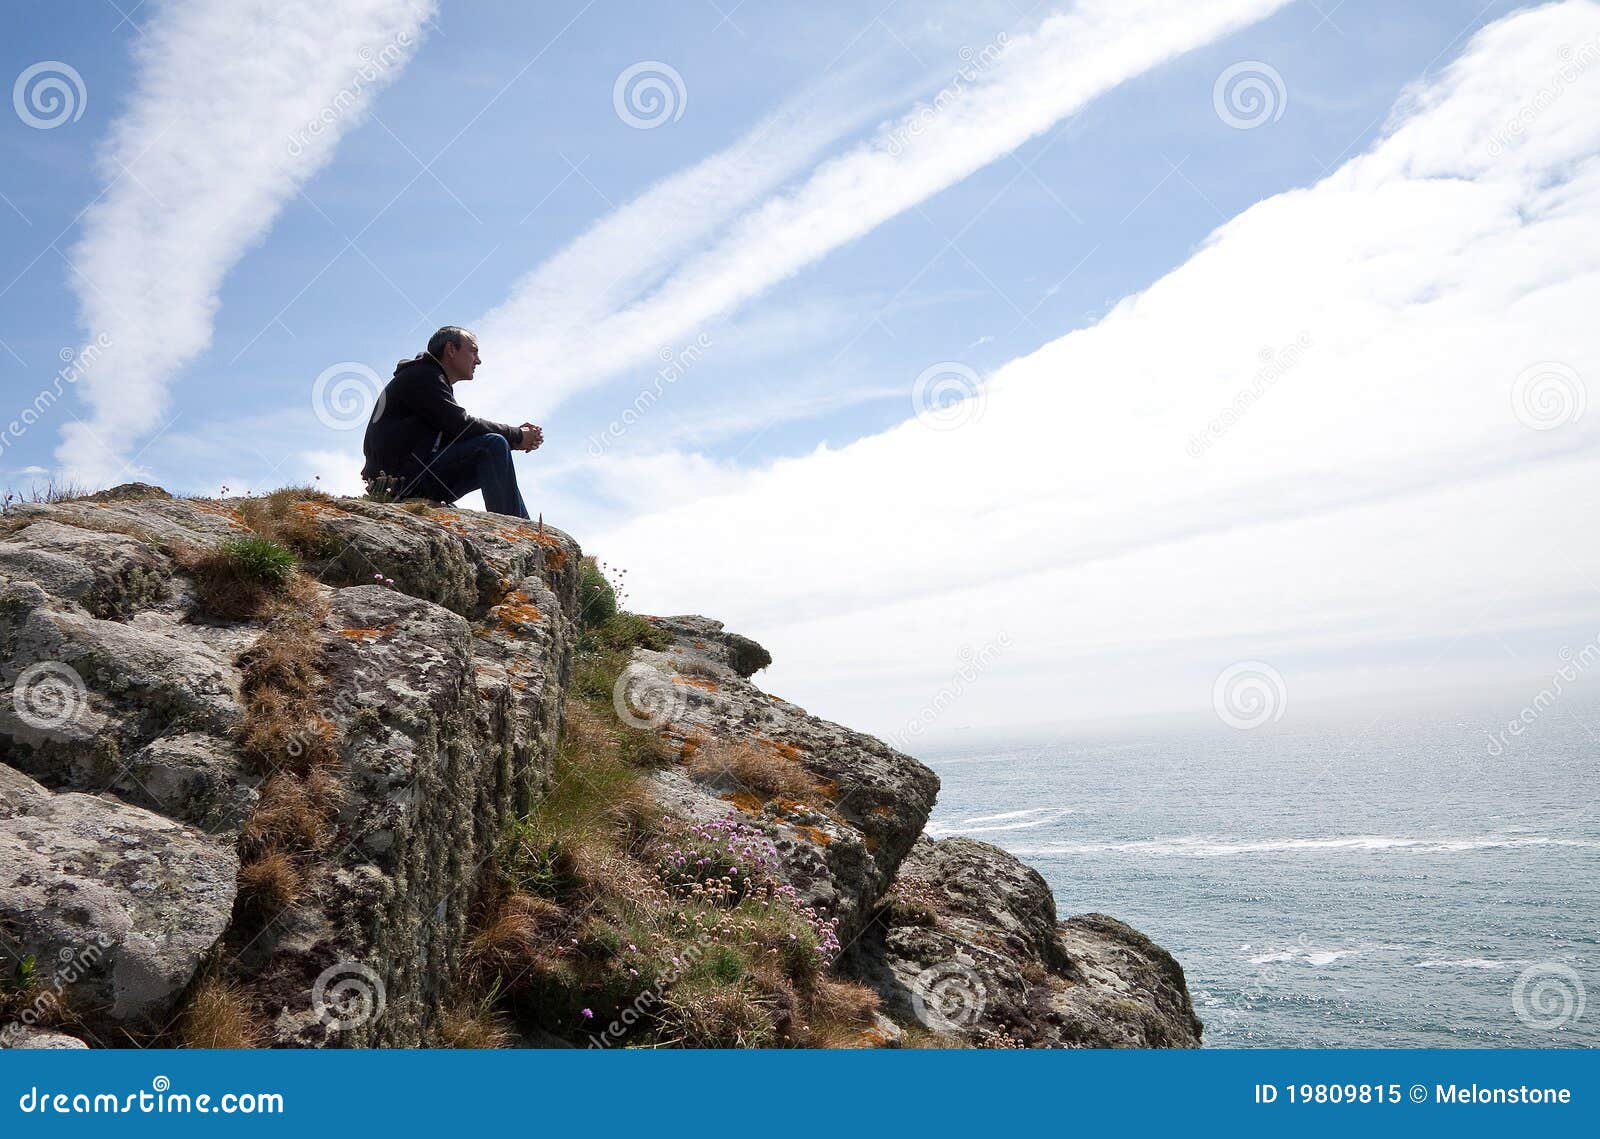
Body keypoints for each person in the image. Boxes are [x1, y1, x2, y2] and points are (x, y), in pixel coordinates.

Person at [360, 326, 542, 519]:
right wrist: (517, 435)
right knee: (492, 445)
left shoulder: (428, 377)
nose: (478, 360)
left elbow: (454, 434)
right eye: (473, 351)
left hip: (409, 476)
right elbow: (461, 425)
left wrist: (514, 440)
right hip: (401, 482)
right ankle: (517, 526)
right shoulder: (422, 375)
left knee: (496, 449)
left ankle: (524, 527)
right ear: (451, 349)